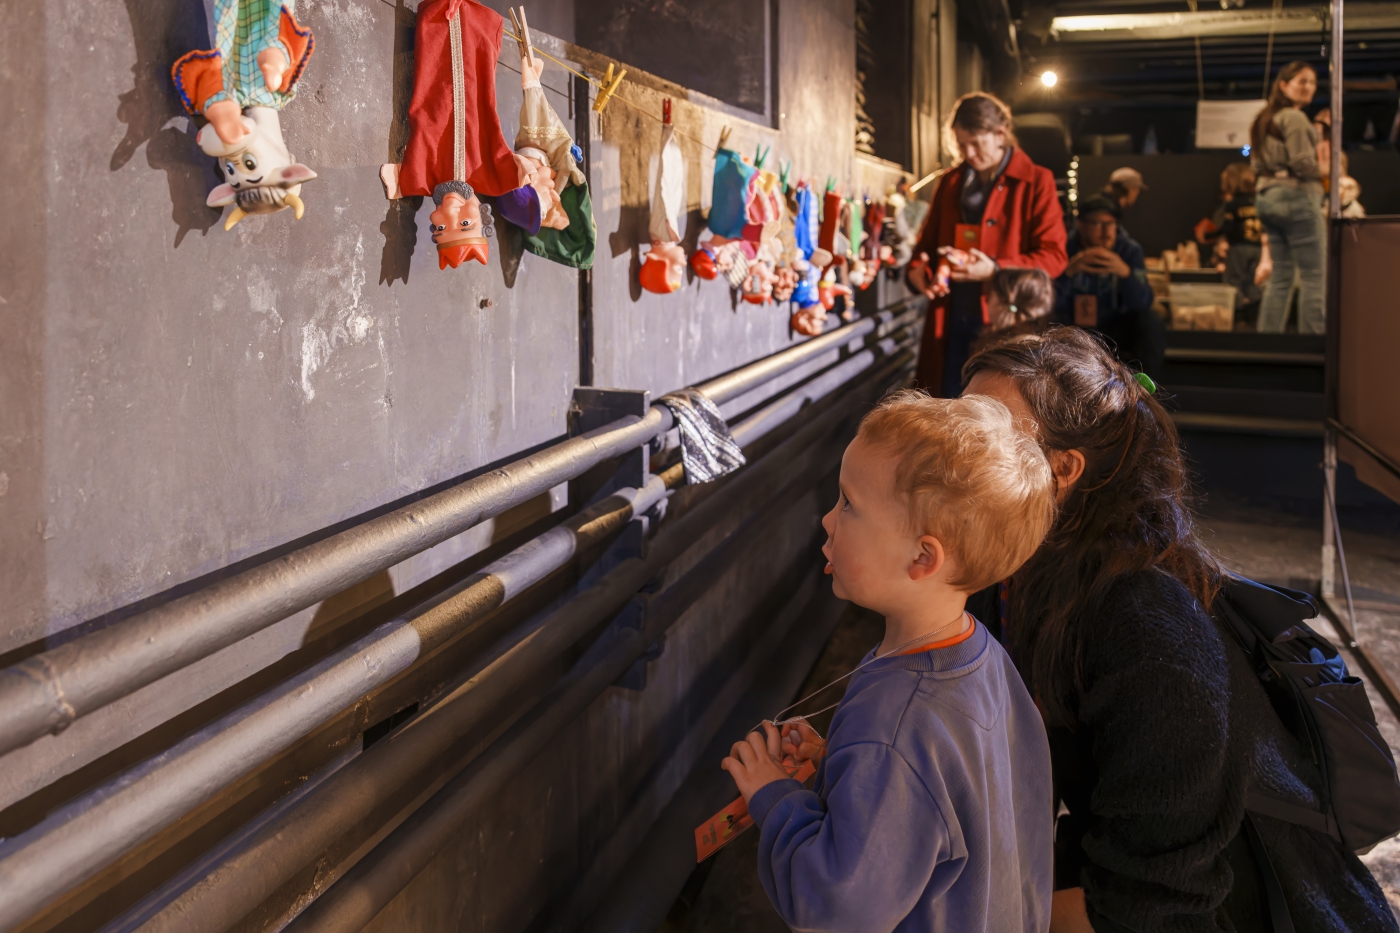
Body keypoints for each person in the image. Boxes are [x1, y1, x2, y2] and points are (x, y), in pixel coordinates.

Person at [960, 327, 1398, 933]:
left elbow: (1144, 907)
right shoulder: (1013, 574)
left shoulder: (1149, 629)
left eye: (980, 436)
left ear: (1062, 470)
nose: (946, 452)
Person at [721, 391, 1057, 932]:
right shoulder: (982, 655)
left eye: (849, 504)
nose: (827, 520)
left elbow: (835, 906)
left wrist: (774, 797)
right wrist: (843, 763)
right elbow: (950, 800)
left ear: (923, 557)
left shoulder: (896, 725)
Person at [906, 92, 1067, 398]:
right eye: (960, 144)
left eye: (976, 144)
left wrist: (995, 268)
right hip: (950, 315)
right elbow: (924, 248)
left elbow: (1055, 257)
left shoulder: (1036, 181)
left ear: (1000, 134)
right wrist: (917, 270)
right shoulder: (949, 182)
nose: (968, 153)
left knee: (994, 410)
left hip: (1006, 319)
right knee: (946, 405)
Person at [1052, 196, 1164, 381]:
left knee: (1151, 321)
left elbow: (1144, 301)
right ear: (1081, 225)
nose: (1106, 232)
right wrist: (1068, 272)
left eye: (1111, 224)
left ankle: (1144, 390)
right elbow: (1049, 303)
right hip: (1074, 325)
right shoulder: (1064, 247)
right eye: (1097, 224)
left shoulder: (1129, 250)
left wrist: (1126, 273)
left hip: (1115, 324)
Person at [1251, 61, 1325, 333]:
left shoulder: (1263, 118)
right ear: (1284, 85)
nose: (1309, 88)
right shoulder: (1293, 117)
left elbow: (1256, 167)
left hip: (1267, 197)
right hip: (1296, 197)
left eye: (1313, 82)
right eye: (1302, 81)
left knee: (1280, 275)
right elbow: (1303, 164)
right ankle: (1314, 343)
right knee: (1314, 276)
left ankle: (1267, 341)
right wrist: (1328, 168)